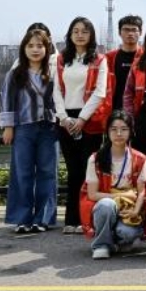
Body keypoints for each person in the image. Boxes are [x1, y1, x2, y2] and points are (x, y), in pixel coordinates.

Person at [54, 16, 111, 234]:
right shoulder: (61, 59)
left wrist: (82, 119)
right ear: (70, 34)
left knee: (89, 170)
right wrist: (64, 118)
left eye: (85, 31)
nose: (80, 35)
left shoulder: (99, 59)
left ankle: (87, 219)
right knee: (73, 170)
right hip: (66, 120)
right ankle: (71, 219)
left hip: (90, 120)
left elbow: (100, 92)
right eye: (75, 31)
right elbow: (56, 91)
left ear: (91, 35)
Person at [0, 29, 57, 235]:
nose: (35, 50)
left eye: (40, 46)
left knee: (47, 172)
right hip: (23, 127)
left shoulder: (53, 72)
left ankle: (43, 218)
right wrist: (8, 127)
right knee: (22, 172)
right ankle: (22, 218)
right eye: (30, 46)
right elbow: (6, 99)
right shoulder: (16, 73)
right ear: (24, 49)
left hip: (49, 127)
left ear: (47, 49)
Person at [82, 111, 146, 260]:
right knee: (106, 205)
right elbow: (92, 194)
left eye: (124, 129)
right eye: (113, 129)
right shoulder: (95, 159)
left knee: (126, 233)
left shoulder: (140, 159)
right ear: (107, 132)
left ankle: (116, 242)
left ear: (131, 131)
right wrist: (121, 195)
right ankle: (101, 245)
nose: (119, 133)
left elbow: (142, 192)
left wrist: (136, 211)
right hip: (106, 206)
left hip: (129, 207)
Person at [107, 14, 142, 112]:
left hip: (139, 111)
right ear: (119, 32)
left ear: (140, 32)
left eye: (134, 30)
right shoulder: (109, 58)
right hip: (114, 110)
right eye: (126, 30)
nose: (130, 33)